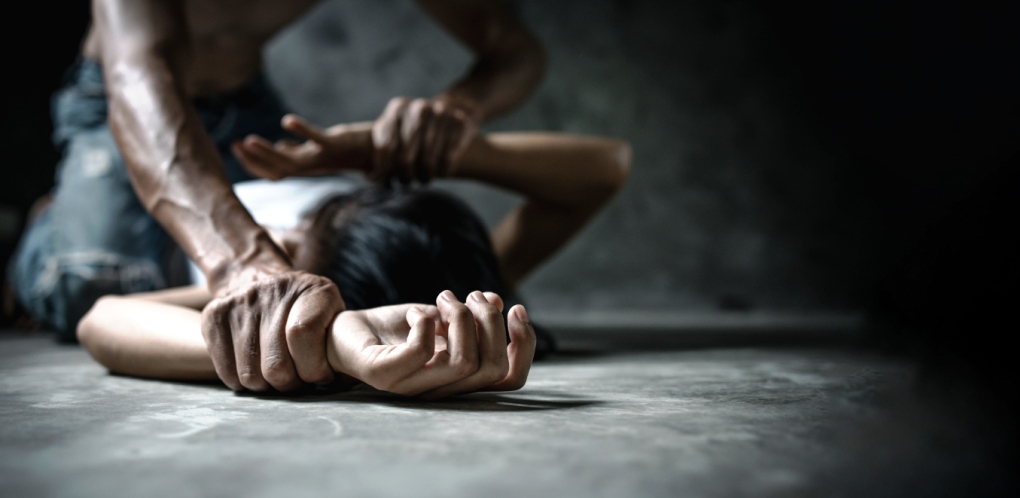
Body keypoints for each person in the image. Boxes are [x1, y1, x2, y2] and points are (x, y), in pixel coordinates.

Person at [10, 0, 547, 392]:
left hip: (244, 98)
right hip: (128, 90)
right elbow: (137, 69)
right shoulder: (354, 226)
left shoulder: (389, 272)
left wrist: (459, 109)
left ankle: (58, 226)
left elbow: (513, 49)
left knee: (87, 281)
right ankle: (52, 222)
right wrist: (245, 264)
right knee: (83, 271)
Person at [77, 119, 631, 397]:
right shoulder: (454, 269)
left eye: (293, 257)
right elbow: (607, 167)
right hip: (239, 149)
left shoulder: (303, 305)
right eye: (308, 224)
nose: (272, 246)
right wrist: (398, 149)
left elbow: (102, 318)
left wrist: (323, 339)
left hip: (133, 235)